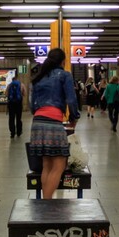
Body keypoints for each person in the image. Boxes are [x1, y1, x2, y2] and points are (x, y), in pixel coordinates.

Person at [28, 48, 80, 200]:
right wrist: (74, 117)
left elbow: (32, 105)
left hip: (37, 123)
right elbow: (71, 99)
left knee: (47, 165)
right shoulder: (64, 75)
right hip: (53, 123)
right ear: (63, 61)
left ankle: (46, 201)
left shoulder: (38, 78)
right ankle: (47, 204)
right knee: (59, 164)